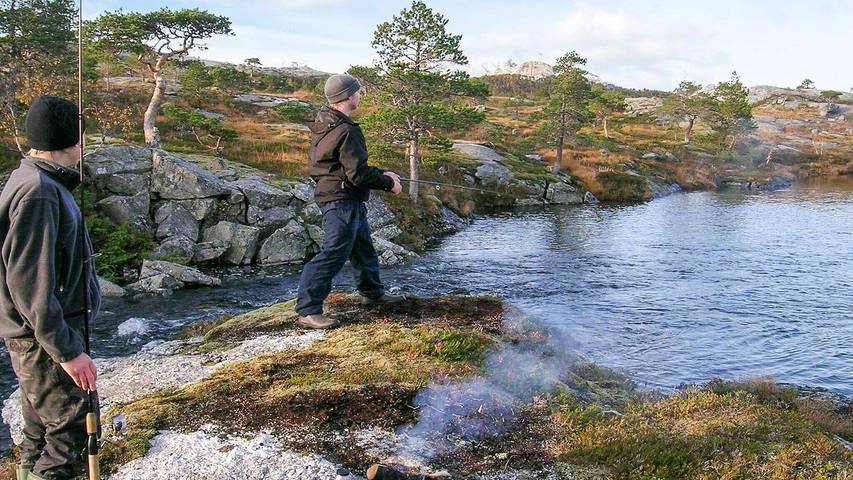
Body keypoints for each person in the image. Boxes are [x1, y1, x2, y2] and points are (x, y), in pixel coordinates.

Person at [0, 95, 101, 480]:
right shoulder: (40, 192)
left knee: (39, 434)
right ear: (68, 139)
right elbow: (29, 281)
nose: (84, 143)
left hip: (34, 338)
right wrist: (67, 351)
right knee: (70, 435)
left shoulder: (31, 179)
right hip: (43, 341)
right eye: (81, 135)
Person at [295, 74, 405, 329]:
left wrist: (383, 173)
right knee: (333, 253)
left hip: (343, 197)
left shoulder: (326, 125)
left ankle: (372, 294)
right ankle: (308, 310)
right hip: (341, 200)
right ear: (349, 96)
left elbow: (342, 167)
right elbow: (358, 174)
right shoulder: (346, 130)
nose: (360, 95)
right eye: (358, 92)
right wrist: (389, 184)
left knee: (362, 248)